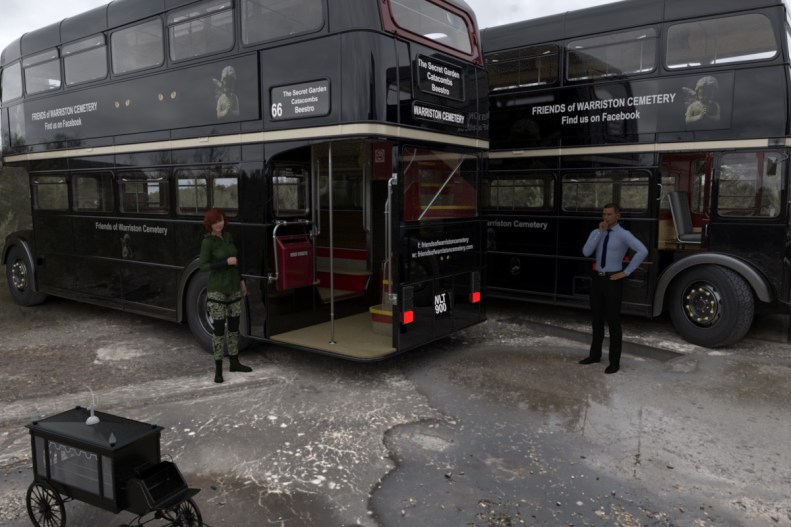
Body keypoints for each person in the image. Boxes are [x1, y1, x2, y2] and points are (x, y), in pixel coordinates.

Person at [580, 203, 648, 374]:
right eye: (604, 214)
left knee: (613, 322)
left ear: (618, 215)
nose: (606, 217)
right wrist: (599, 233)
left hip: (613, 280)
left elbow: (642, 251)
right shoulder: (597, 232)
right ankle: (594, 355)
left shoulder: (624, 234)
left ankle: (614, 362)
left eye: (609, 214)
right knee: (596, 320)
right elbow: (586, 252)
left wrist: (626, 272)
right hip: (597, 279)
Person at [200, 208, 252, 383]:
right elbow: (204, 266)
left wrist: (242, 280)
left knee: (234, 327)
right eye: (214, 222)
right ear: (210, 225)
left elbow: (236, 261)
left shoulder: (228, 237)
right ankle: (218, 369)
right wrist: (224, 263)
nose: (218, 224)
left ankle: (235, 362)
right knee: (219, 329)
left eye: (220, 220)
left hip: (234, 287)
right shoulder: (208, 242)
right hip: (217, 290)